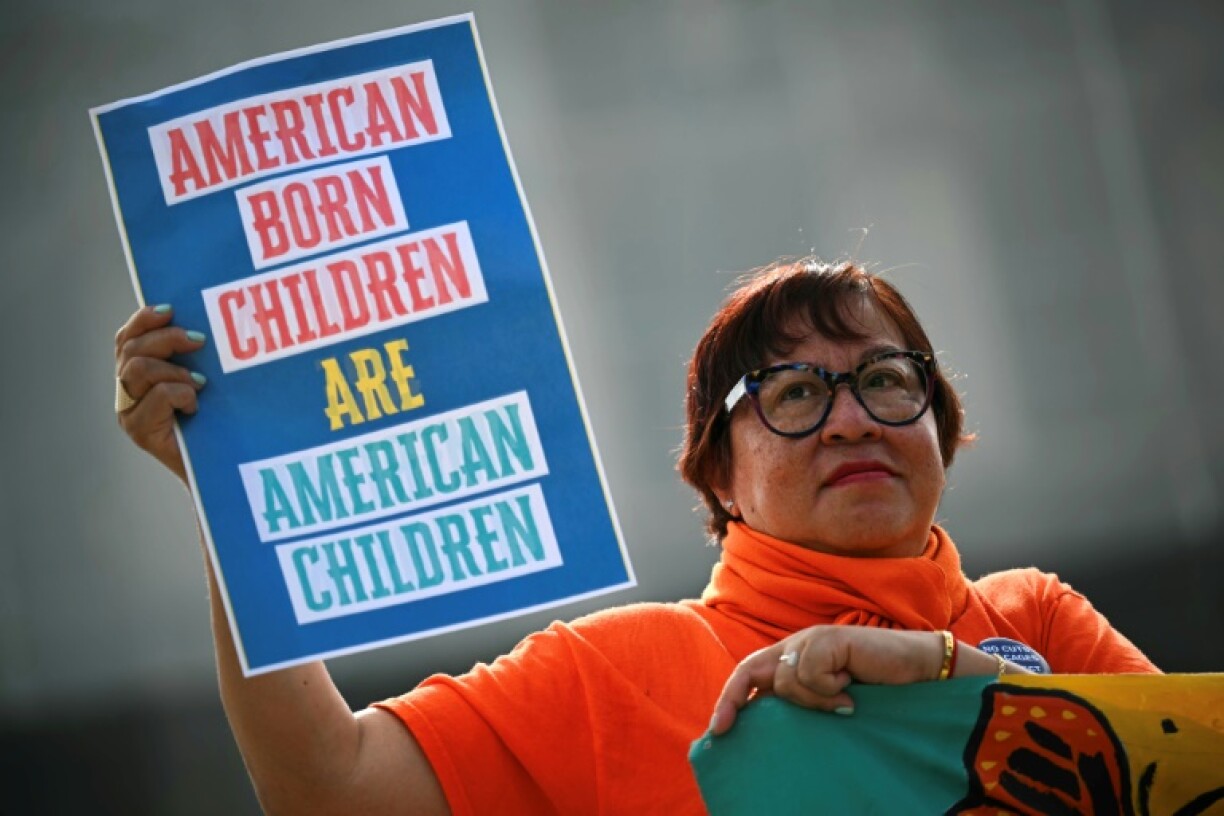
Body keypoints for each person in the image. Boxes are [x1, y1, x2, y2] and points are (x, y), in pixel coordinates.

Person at [114, 258, 1158, 815]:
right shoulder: (614, 671)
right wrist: (233, 503)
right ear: (717, 472)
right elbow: (327, 790)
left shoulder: (1041, 620)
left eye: (887, 380)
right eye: (794, 392)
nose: (851, 419)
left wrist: (941, 671)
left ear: (941, 422)